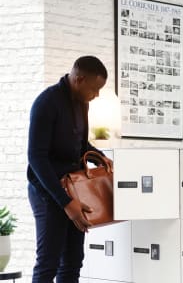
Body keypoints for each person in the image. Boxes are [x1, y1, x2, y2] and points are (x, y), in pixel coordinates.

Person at [27, 55, 113, 282]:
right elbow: (36, 158)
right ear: (79, 79)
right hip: (48, 192)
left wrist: (102, 159)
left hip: (74, 190)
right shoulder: (47, 102)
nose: (96, 96)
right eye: (95, 89)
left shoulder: (81, 103)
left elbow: (80, 144)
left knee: (73, 262)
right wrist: (66, 203)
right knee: (48, 263)